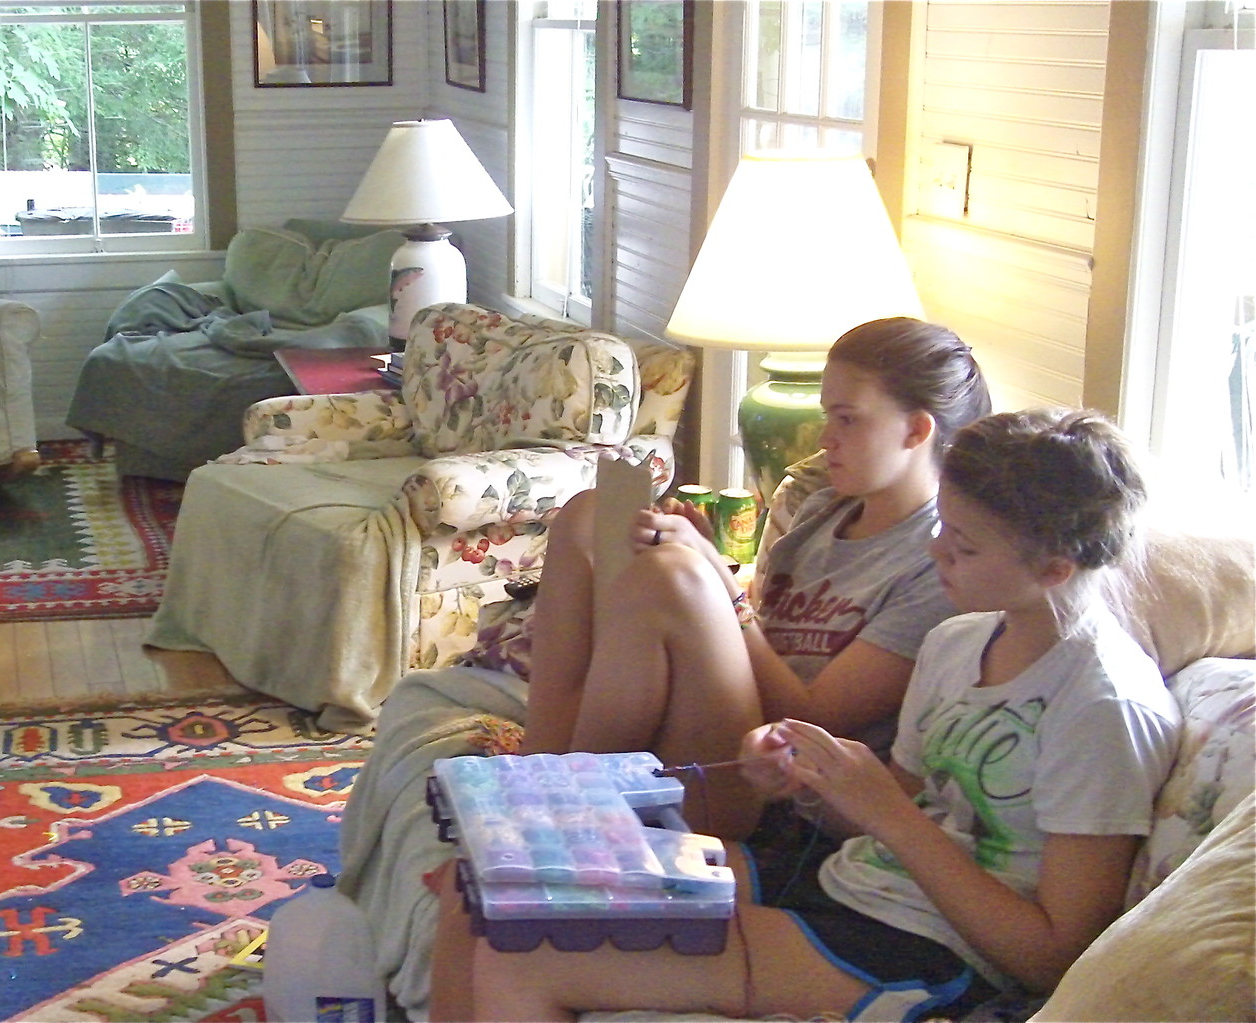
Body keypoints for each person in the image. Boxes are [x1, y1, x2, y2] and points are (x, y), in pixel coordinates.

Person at [429, 408, 1182, 1023]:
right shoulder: (958, 641)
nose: (936, 551)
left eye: (964, 543)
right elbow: (895, 806)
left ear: (1054, 568)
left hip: (931, 951)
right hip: (847, 881)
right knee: (488, 887)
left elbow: (1054, 954)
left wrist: (884, 812)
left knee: (516, 950)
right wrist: (806, 783)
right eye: (941, 527)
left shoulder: (1101, 706)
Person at [521, 316, 991, 839]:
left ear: (916, 430)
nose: (825, 438)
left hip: (771, 780)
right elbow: (765, 626)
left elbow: (814, 722)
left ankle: (565, 812)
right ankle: (540, 764)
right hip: (721, 716)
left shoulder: (939, 561)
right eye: (826, 416)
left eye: (848, 420)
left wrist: (713, 582)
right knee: (588, 516)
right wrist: (712, 560)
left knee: (675, 576)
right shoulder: (823, 511)